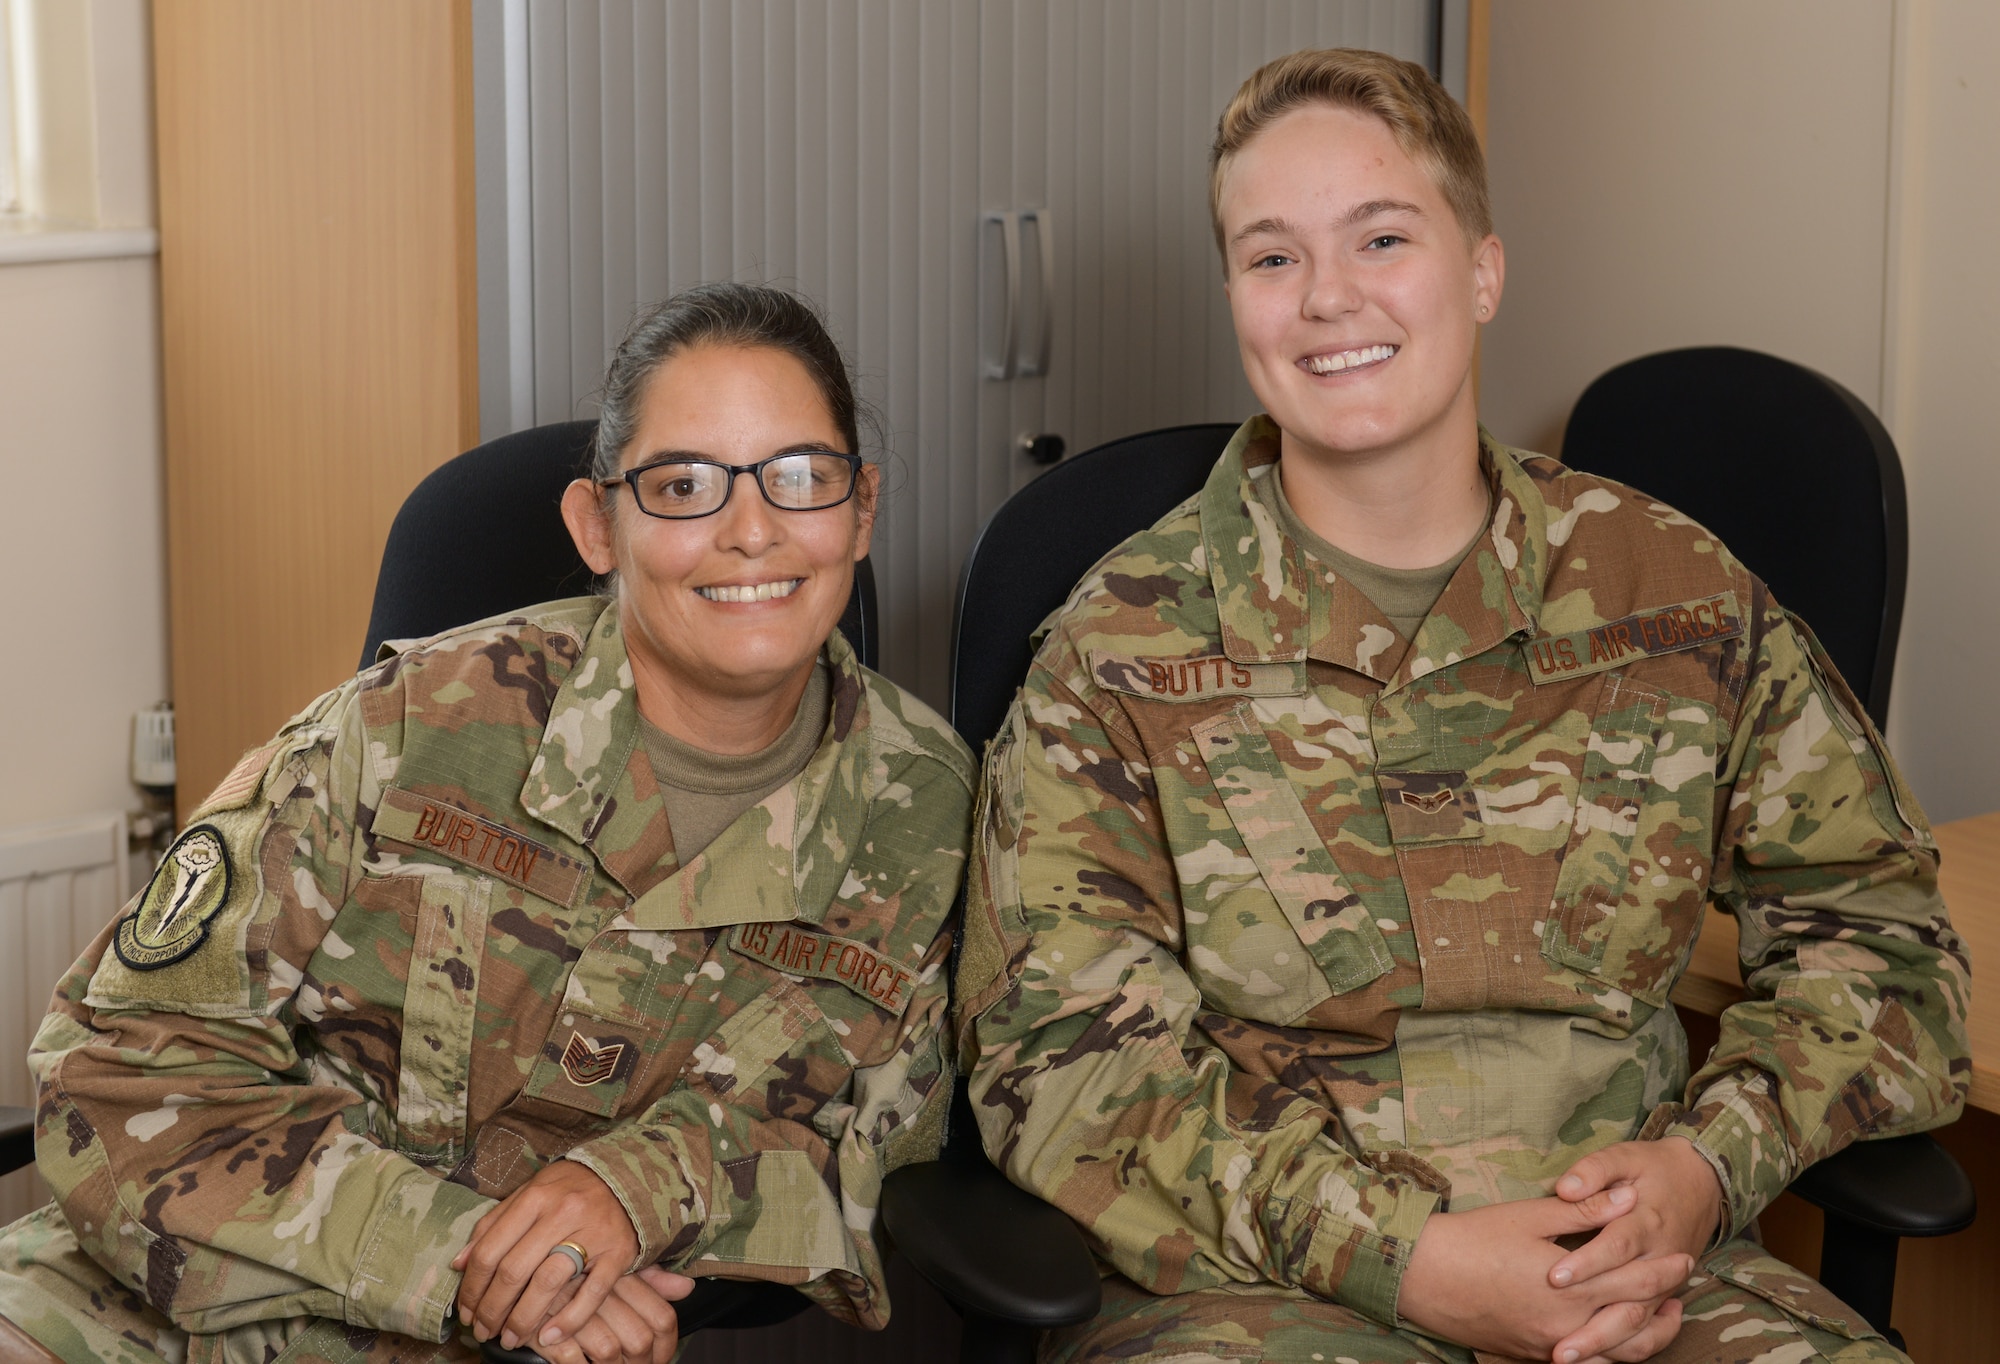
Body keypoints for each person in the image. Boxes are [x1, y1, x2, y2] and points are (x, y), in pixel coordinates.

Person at [954, 48, 1968, 1364]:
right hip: (1264, 1294)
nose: (1327, 298)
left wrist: (1712, 1169)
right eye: (1272, 258)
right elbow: (1063, 1067)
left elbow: (1881, 944)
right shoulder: (1119, 648)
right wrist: (1402, 1260)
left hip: (1643, 1272)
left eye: (1381, 236)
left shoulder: (1677, 595)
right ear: (1235, 299)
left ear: (1482, 269)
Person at [0, 282, 976, 1364]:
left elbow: (890, 1159)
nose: (750, 530)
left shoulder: (933, 817)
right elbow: (115, 1064)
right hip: (159, 1287)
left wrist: (650, 1181)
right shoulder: (408, 721)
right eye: (683, 484)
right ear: (596, 526)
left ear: (861, 509)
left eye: (801, 477)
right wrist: (468, 1259)